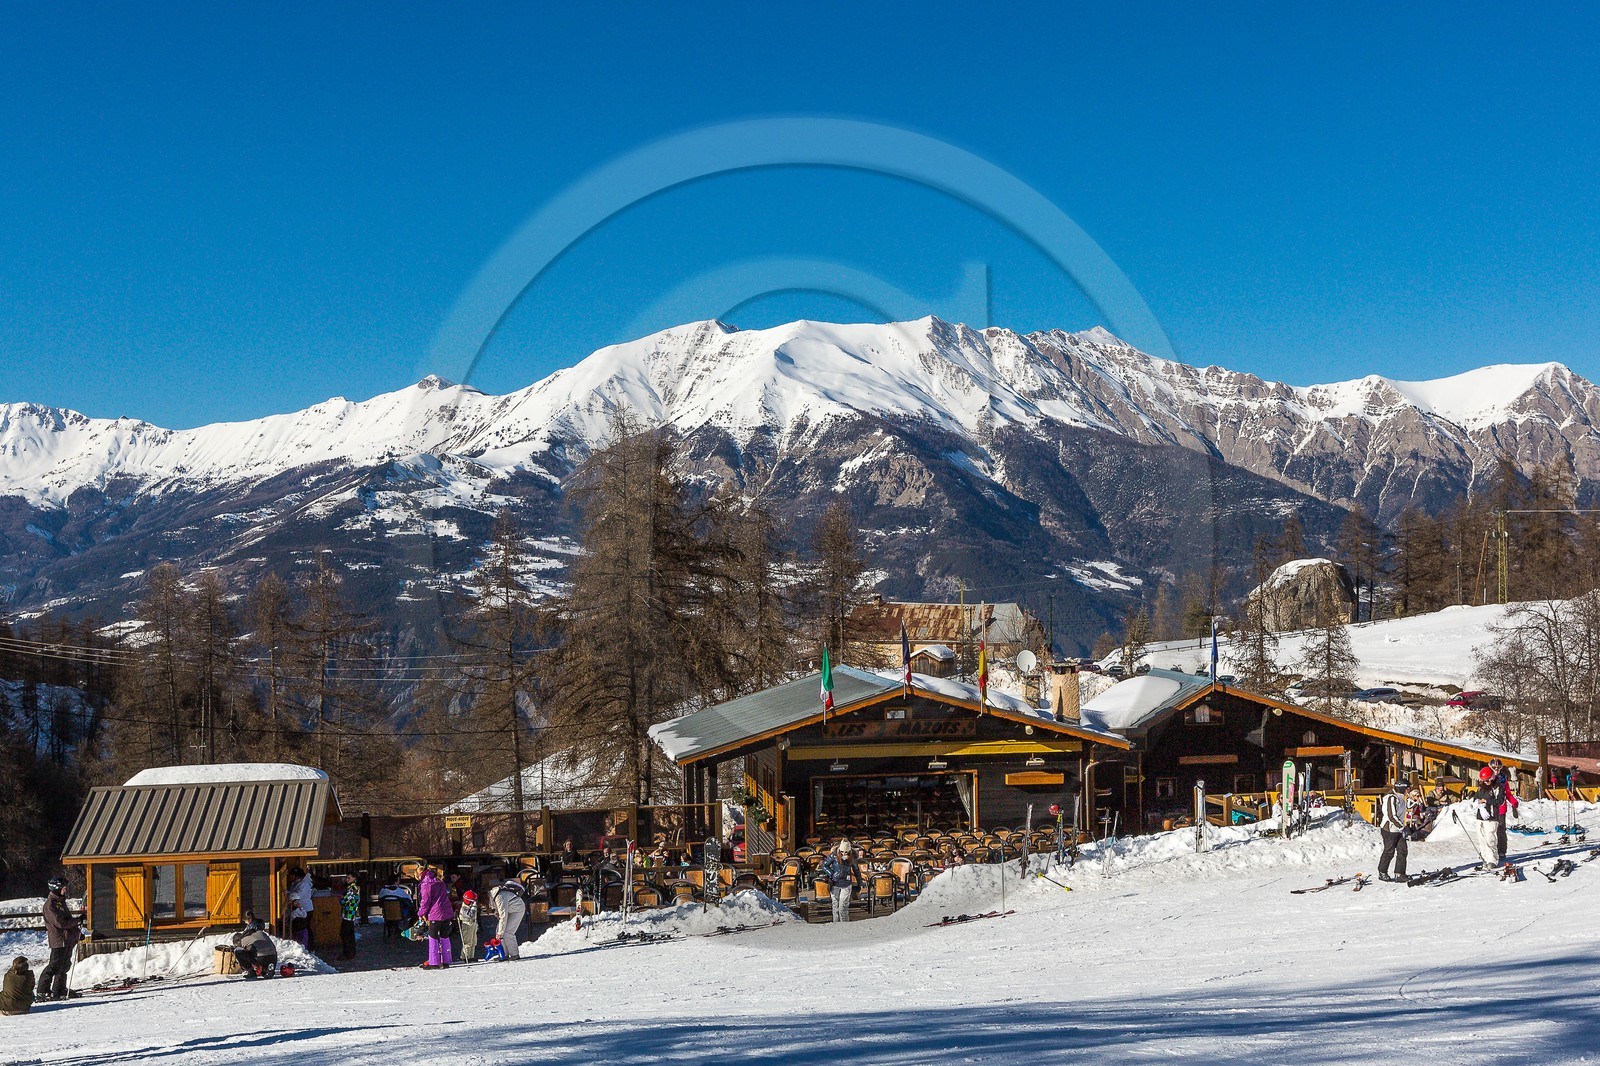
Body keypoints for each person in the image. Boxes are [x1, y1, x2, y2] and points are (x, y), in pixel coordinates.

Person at [36, 876, 80, 1002]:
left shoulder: (60, 902)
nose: (65, 890)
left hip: (67, 939)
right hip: (58, 940)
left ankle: (59, 989)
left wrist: (77, 933)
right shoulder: (50, 905)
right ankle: (42, 991)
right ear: (56, 888)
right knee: (54, 965)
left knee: (64, 965)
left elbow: (67, 921)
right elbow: (61, 923)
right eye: (63, 888)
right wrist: (77, 921)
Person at [416, 866, 454, 970]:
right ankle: (446, 960)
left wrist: (420, 913)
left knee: (432, 937)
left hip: (435, 913)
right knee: (444, 936)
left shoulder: (426, 884)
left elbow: (425, 901)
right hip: (446, 911)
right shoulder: (439, 882)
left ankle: (434, 962)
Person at [819, 840, 861, 923]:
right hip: (835, 883)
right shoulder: (834, 855)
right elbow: (824, 865)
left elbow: (856, 870)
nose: (844, 854)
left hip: (846, 883)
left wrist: (859, 881)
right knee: (835, 907)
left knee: (843, 907)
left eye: (846, 852)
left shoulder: (852, 857)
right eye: (842, 852)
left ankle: (844, 925)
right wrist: (831, 873)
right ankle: (836, 925)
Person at [1376, 781, 1409, 882]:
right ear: (1402, 788)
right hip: (1389, 829)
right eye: (1408, 788)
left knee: (1402, 850)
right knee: (1389, 851)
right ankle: (1382, 872)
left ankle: (1399, 873)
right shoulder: (1391, 798)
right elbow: (1391, 816)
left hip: (1398, 829)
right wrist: (1402, 827)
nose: (1409, 790)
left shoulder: (1400, 798)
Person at [490, 876, 527, 960]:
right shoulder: (493, 895)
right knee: (499, 931)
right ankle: (504, 954)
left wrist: (500, 933)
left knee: (507, 932)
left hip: (518, 909)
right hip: (510, 909)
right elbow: (499, 909)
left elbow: (503, 915)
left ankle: (514, 954)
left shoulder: (499, 896)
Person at [231, 912, 278, 979]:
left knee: (238, 951)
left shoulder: (243, 939)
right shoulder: (260, 932)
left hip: (260, 957)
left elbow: (244, 952)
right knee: (260, 954)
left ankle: (251, 973)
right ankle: (267, 970)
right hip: (273, 956)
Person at [286, 867, 314, 948]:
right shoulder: (296, 883)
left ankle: (309, 947)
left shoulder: (304, 884)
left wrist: (287, 893)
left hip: (306, 909)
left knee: (305, 929)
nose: (290, 877)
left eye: (292, 876)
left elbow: (296, 895)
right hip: (300, 909)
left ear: (297, 876)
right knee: (301, 928)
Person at [339, 874, 362, 960]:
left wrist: (341, 898)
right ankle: (350, 952)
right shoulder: (353, 888)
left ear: (354, 878)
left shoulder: (352, 889)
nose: (347, 879)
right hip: (350, 913)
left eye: (349, 878)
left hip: (348, 913)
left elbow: (343, 900)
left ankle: (348, 953)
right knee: (349, 934)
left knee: (345, 934)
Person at [457, 890, 481, 963]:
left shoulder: (470, 906)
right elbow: (470, 915)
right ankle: (465, 957)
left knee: (473, 941)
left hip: (473, 924)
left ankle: (471, 956)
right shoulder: (464, 908)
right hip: (467, 924)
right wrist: (473, 907)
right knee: (467, 942)